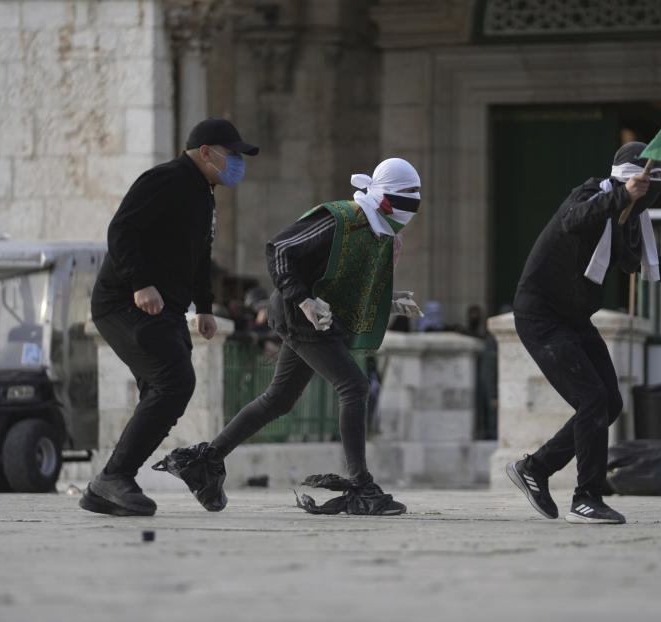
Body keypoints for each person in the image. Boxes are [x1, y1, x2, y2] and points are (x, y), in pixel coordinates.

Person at [155, 158, 424, 516]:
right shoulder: (339, 218)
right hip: (297, 313)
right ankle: (361, 487)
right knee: (354, 386)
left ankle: (206, 460)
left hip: (316, 318)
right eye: (406, 200)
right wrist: (303, 299)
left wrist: (390, 301)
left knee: (278, 399)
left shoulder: (380, 233)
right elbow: (280, 249)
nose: (410, 211)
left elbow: (347, 283)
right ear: (386, 199)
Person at [505, 141, 661, 524]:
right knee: (592, 397)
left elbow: (648, 263)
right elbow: (572, 220)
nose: (650, 193)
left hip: (576, 320)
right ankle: (586, 498)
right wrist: (618, 195)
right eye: (646, 184)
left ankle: (536, 468)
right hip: (540, 316)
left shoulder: (629, 224)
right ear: (630, 180)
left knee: (610, 402)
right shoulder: (592, 195)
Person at [79, 118, 258, 517]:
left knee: (166, 390)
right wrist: (141, 283)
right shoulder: (165, 179)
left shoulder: (203, 193)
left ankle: (110, 484)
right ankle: (113, 477)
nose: (236, 164)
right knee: (174, 381)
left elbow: (199, 257)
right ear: (206, 152)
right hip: (125, 302)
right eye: (232, 155)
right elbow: (122, 229)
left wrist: (206, 308)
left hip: (167, 310)